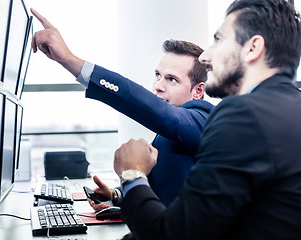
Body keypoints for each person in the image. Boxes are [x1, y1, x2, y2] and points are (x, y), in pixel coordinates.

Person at [112, 0, 301, 239]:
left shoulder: (242, 115)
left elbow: (172, 235)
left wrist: (132, 174)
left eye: (219, 40)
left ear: (253, 48)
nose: (206, 56)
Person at [30, 8, 213, 208]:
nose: (158, 86)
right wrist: (115, 196)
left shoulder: (203, 120)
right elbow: (161, 193)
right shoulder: (168, 131)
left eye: (172, 79)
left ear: (197, 91)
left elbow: (158, 112)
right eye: (158, 75)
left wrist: (68, 59)